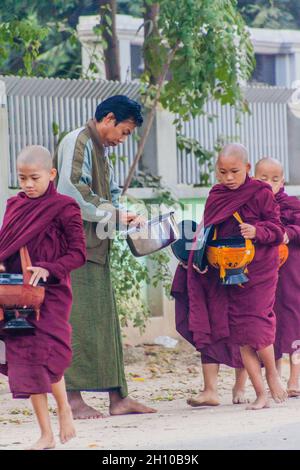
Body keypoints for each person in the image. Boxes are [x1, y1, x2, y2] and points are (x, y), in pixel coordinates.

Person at [54, 94, 156, 419]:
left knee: (106, 323)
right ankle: (72, 400)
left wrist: (123, 213)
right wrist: (113, 212)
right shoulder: (78, 141)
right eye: (124, 132)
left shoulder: (100, 149)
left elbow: (109, 192)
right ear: (108, 119)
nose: (122, 140)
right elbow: (73, 189)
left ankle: (118, 398)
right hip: (72, 249)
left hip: (94, 247)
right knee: (78, 324)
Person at [172, 143, 287, 410]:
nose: (228, 178)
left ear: (247, 169)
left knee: (257, 326)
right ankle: (260, 393)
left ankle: (272, 373)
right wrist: (199, 260)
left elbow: (276, 228)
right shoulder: (216, 194)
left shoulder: (261, 193)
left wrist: (257, 231)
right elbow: (206, 232)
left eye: (234, 171)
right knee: (240, 333)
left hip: (258, 270)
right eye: (222, 172)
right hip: (228, 271)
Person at [0, 145, 86, 449]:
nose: (27, 185)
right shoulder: (14, 205)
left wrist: (48, 269)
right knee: (25, 357)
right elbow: (6, 245)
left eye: (34, 178)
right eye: (22, 178)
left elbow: (78, 253)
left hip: (52, 293)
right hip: (15, 290)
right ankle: (45, 433)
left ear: (51, 174)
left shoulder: (65, 207)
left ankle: (64, 408)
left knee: (48, 354)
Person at [255, 157, 300, 397]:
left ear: (282, 181)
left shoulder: (290, 204)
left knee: (292, 319)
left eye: (275, 179)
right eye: (263, 178)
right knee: (267, 319)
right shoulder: (252, 204)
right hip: (263, 270)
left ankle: (295, 379)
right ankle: (275, 378)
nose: (269, 183)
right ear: (254, 178)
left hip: (290, 271)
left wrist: (288, 233)